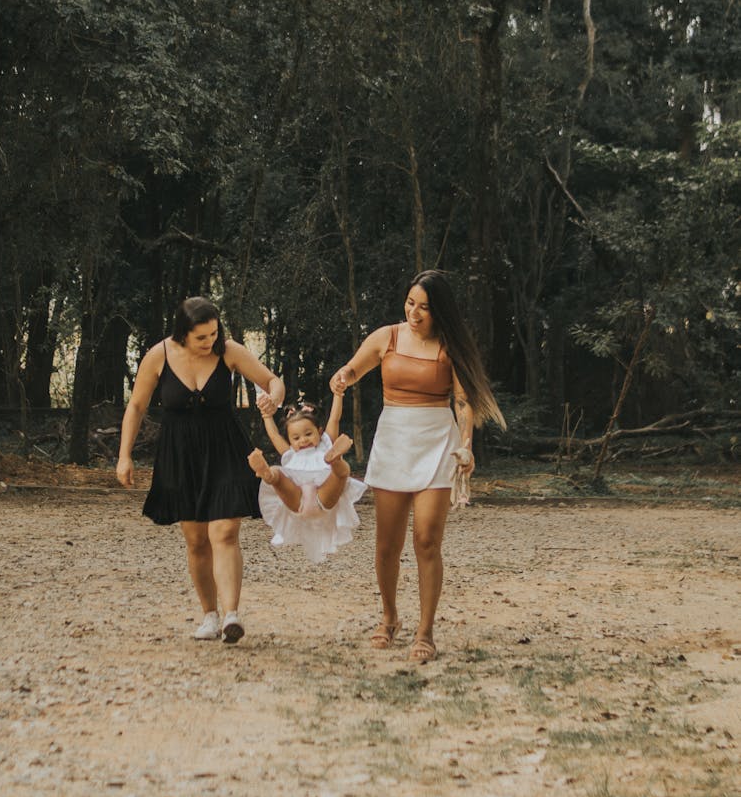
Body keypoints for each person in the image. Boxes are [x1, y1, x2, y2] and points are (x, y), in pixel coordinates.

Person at [329, 270, 505, 663]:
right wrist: (342, 378)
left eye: (424, 307)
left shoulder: (449, 346)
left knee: (426, 539)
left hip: (436, 444)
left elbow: (462, 402)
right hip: (394, 439)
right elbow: (354, 369)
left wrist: (466, 446)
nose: (414, 312)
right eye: (410, 303)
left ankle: (425, 630)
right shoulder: (386, 337)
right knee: (387, 543)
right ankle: (389, 617)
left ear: (439, 311)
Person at [117, 296, 284, 644]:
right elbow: (136, 405)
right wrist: (124, 455)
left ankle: (232, 615)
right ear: (183, 334)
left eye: (213, 334)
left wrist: (274, 398)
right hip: (180, 454)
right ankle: (210, 615)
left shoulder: (229, 351)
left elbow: (273, 381)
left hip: (225, 448)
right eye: (202, 338)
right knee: (196, 541)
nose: (210, 342)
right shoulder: (158, 355)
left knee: (223, 532)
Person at [248, 390, 367, 563]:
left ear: (319, 431)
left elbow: (334, 419)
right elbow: (274, 435)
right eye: (296, 438)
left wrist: (338, 394)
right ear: (290, 441)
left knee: (341, 474)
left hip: (323, 498)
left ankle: (335, 461)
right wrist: (266, 416)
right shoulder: (290, 454)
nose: (303, 440)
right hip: (298, 501)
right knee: (279, 475)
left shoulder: (326, 444)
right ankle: (268, 474)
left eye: (308, 434)